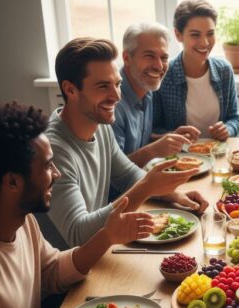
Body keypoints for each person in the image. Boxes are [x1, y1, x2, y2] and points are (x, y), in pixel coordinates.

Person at [0, 102, 156, 308]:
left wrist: (107, 236)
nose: (58, 174)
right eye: (48, 165)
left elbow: (52, 271)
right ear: (12, 181)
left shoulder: (23, 222)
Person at [44, 37, 208, 247]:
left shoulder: (100, 126)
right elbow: (78, 235)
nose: (116, 96)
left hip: (98, 255)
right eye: (103, 86)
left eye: (117, 84)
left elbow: (128, 175)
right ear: (70, 90)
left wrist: (175, 195)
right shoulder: (53, 150)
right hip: (65, 270)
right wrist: (147, 187)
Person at [153, 0, 239, 140]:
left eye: (210, 33)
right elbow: (153, 128)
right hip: (180, 157)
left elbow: (234, 119)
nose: (205, 42)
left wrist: (228, 129)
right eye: (195, 35)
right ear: (178, 34)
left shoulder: (224, 70)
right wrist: (172, 136)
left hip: (217, 155)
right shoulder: (163, 74)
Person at [113, 21, 194, 168]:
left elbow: (138, 142)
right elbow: (111, 174)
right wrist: (153, 151)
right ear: (126, 58)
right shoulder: (112, 102)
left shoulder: (146, 89)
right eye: (149, 56)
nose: (159, 65)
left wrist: (170, 138)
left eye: (164, 58)